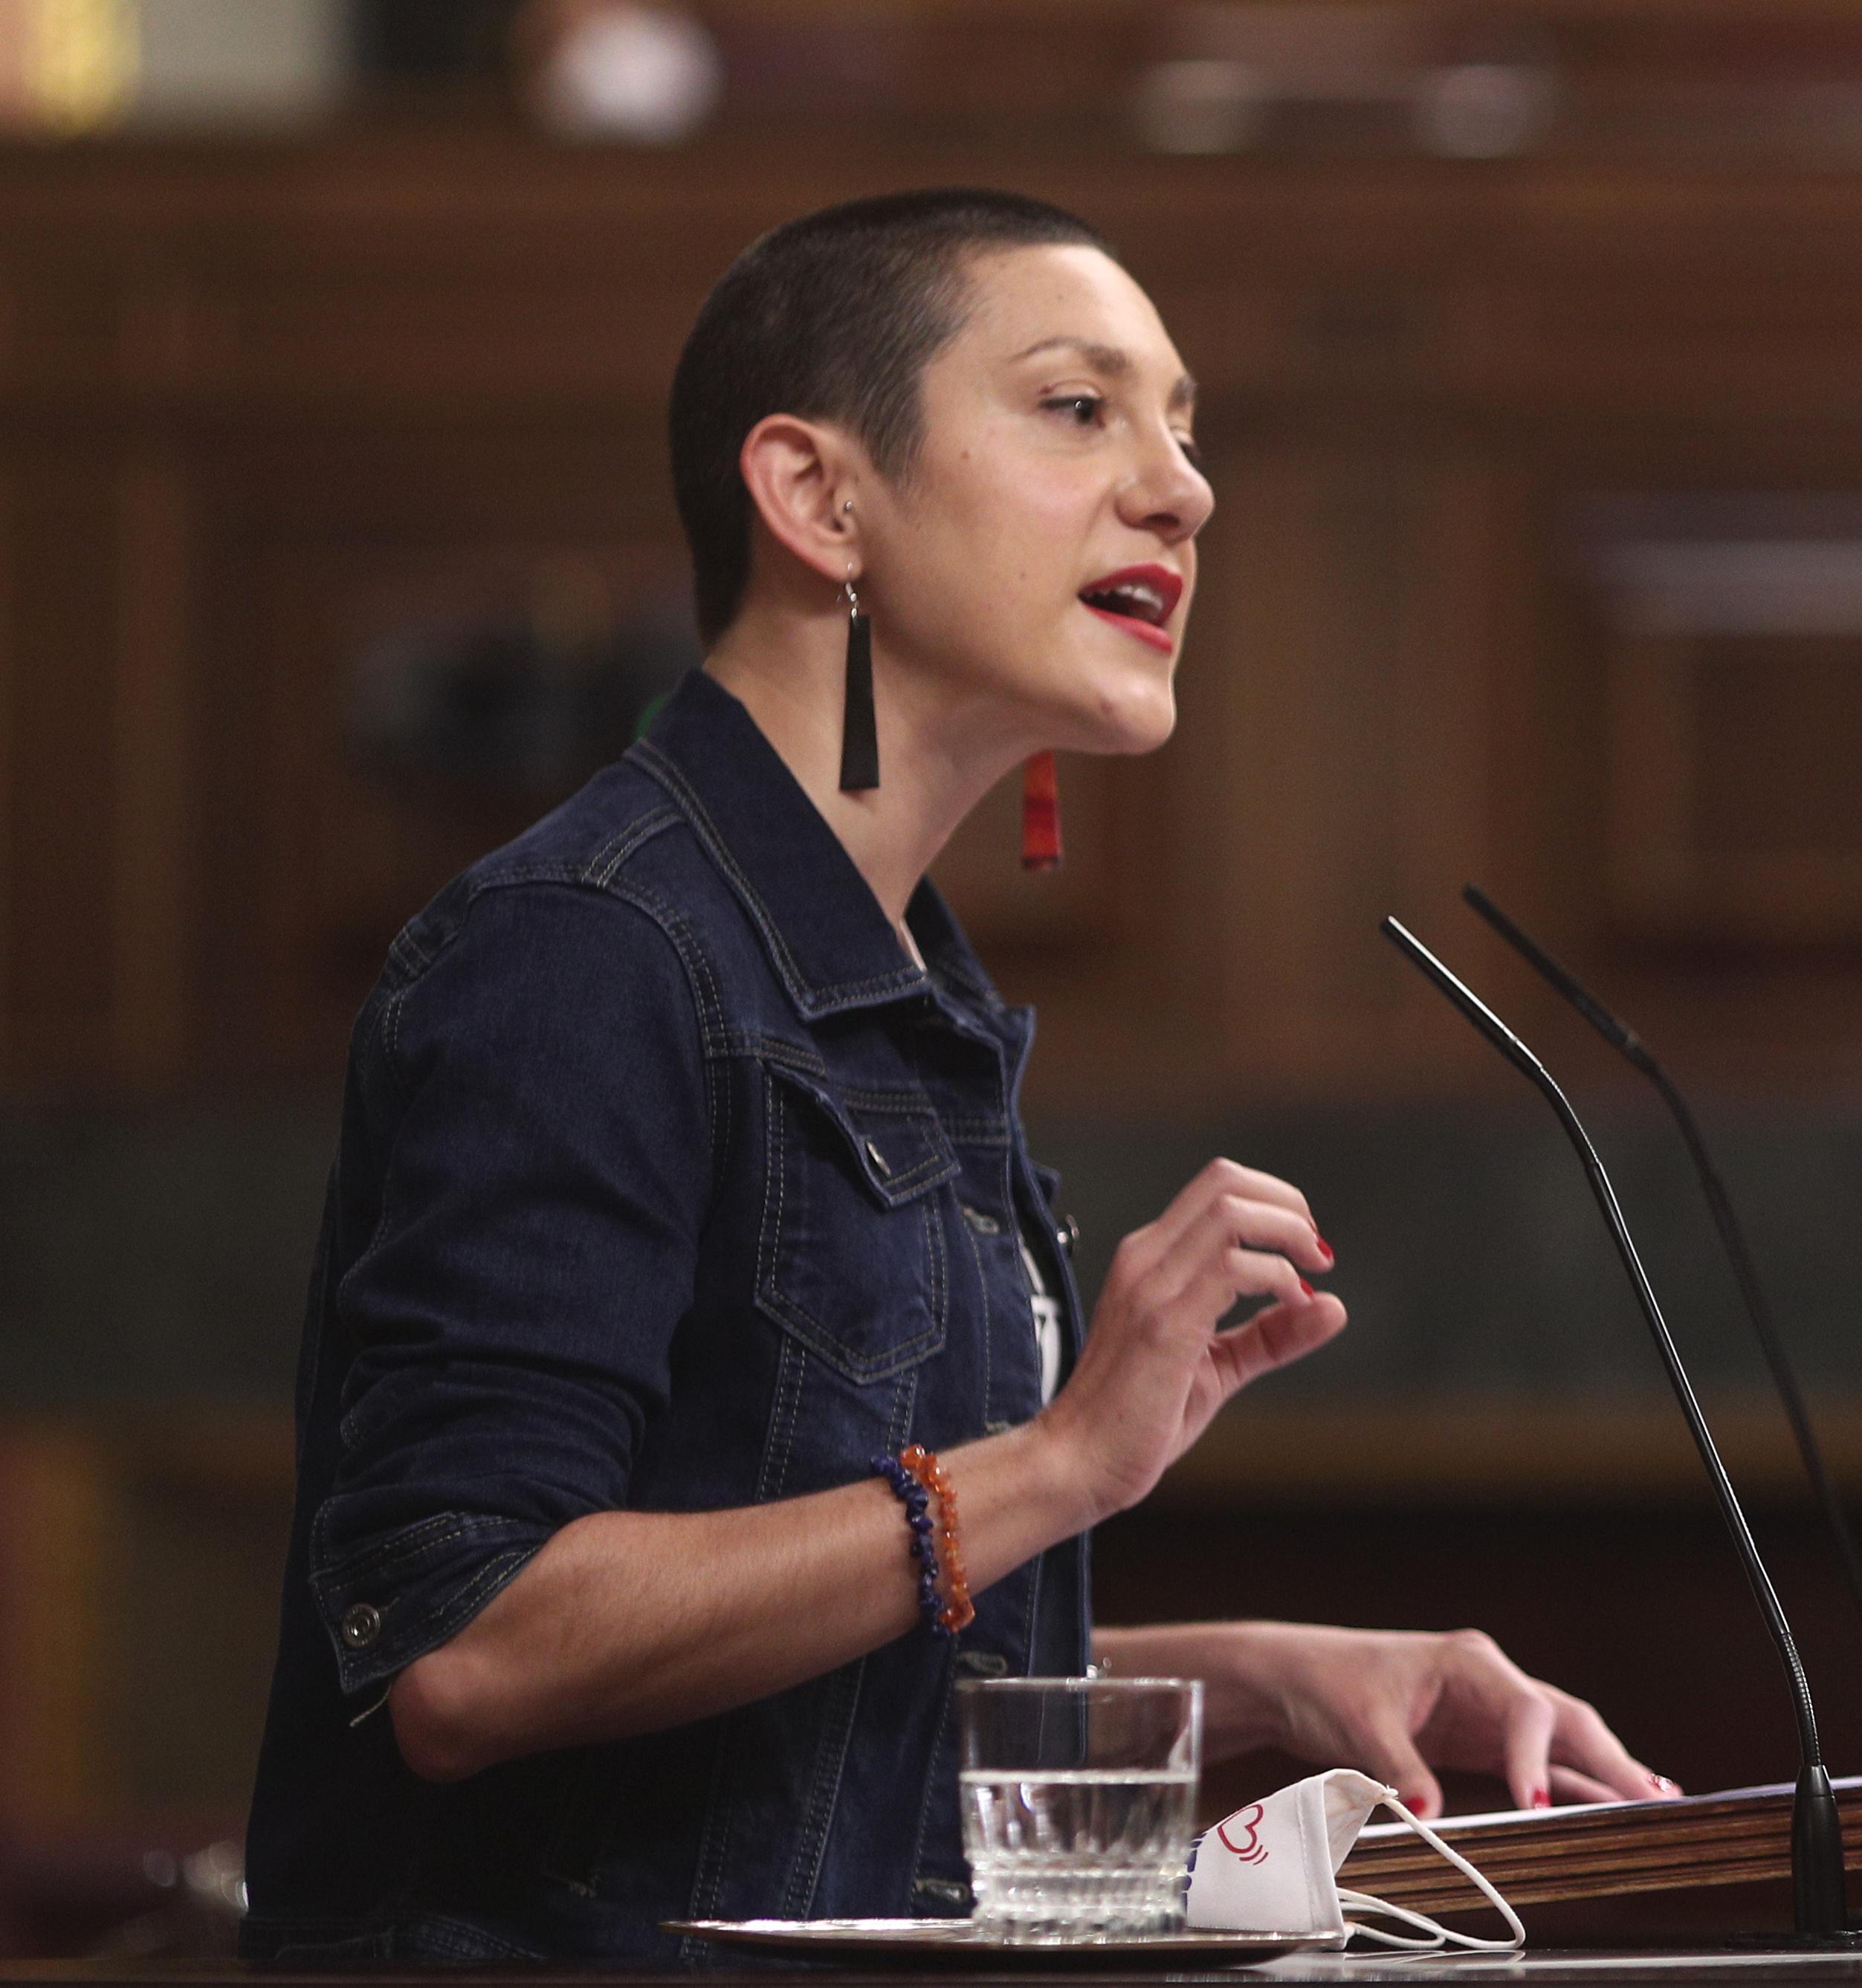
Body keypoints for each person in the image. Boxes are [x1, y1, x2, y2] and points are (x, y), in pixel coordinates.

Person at [240, 190, 1672, 1965]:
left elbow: (829, 1699)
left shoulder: (905, 979)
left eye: (1185, 426)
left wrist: (1269, 1679)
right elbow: (470, 1647)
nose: (1183, 489)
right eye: (1082, 408)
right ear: (821, 497)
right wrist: (1064, 1463)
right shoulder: (589, 948)